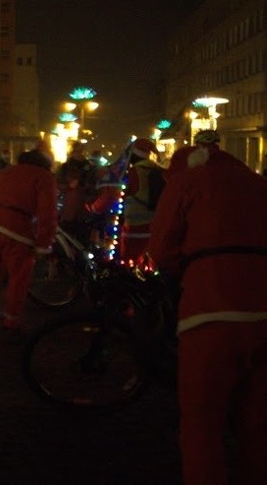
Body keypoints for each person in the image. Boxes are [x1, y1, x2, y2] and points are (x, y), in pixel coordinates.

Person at [147, 141, 267, 485]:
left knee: (202, 425)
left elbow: (162, 249)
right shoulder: (260, 184)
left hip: (209, 312)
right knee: (258, 424)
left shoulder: (188, 182)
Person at [0, 148, 58, 333]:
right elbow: (48, 213)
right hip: (15, 229)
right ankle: (11, 322)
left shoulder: (8, 171)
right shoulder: (43, 177)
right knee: (18, 277)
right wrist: (43, 244)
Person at [120, 138, 165, 264]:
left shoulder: (134, 172)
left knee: (131, 263)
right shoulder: (159, 170)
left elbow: (126, 193)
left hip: (134, 227)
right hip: (155, 224)